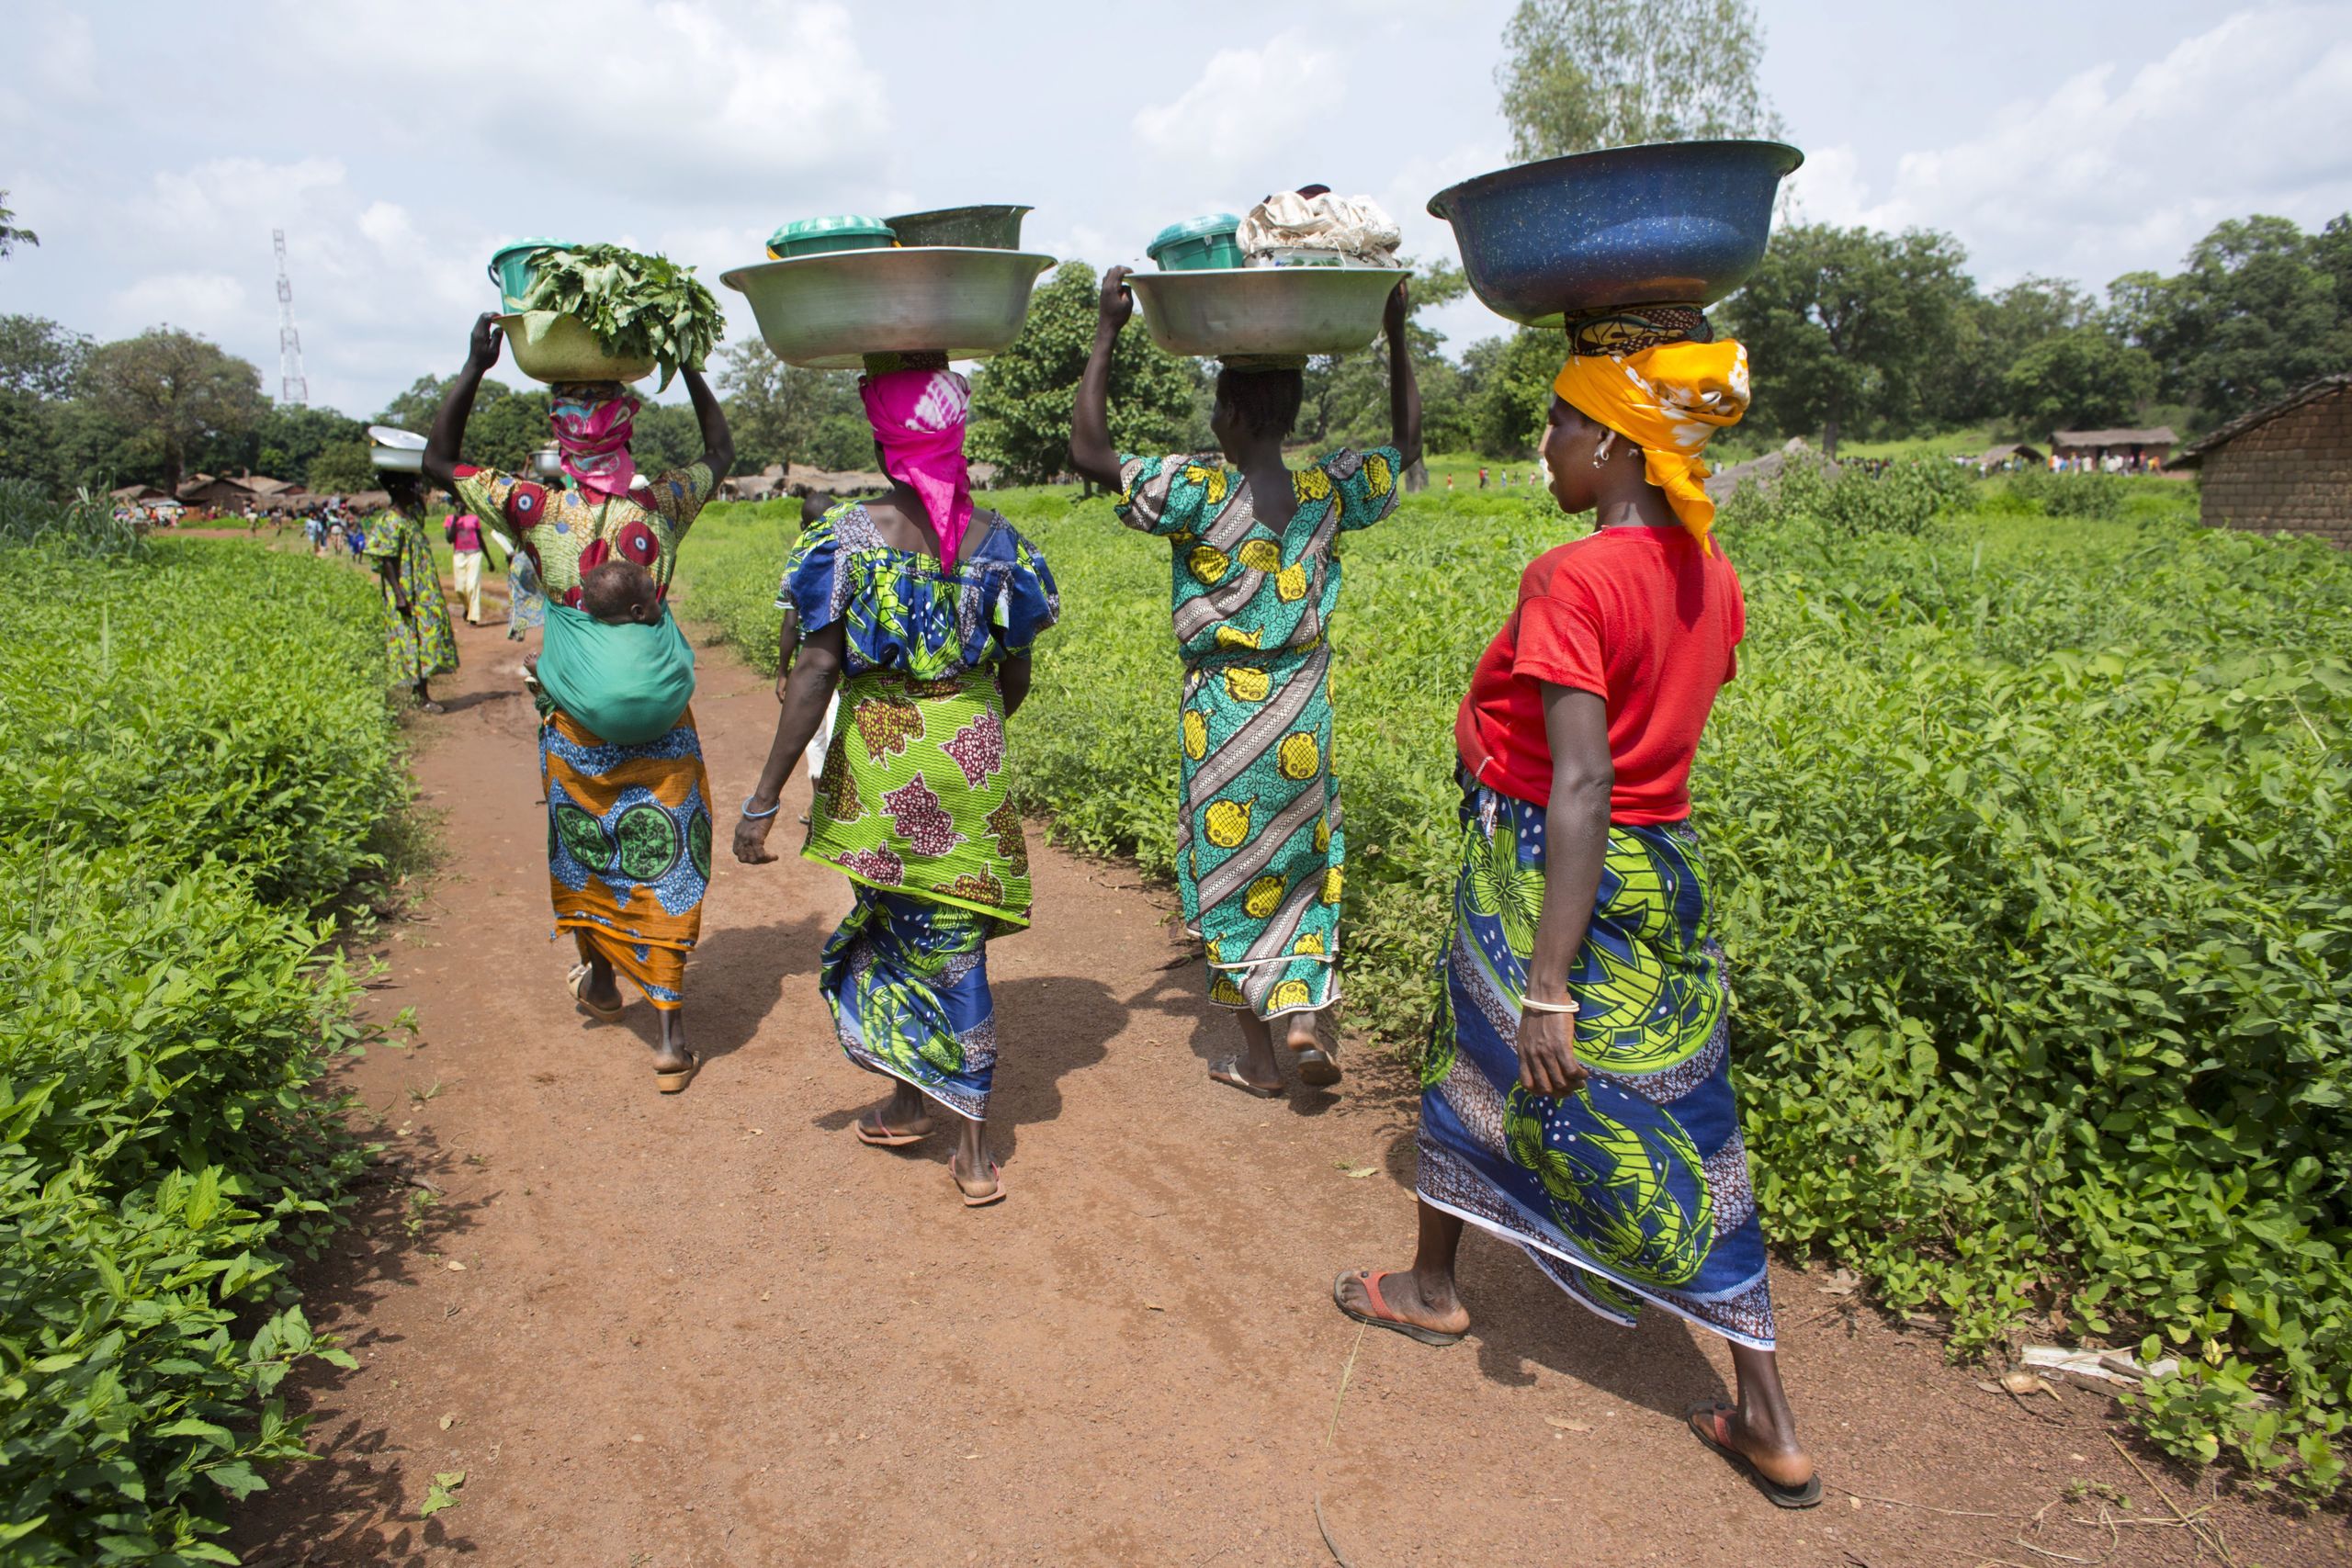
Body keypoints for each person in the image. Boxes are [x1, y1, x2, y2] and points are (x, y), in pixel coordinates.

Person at [1330, 307, 1815, 1507]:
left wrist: (1549, 977)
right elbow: (1660, 738)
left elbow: (1585, 777)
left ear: (1611, 440)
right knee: (1693, 1117)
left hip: (1550, 874)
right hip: (1662, 871)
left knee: (1481, 1065)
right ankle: (1766, 1409)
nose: (1543, 444)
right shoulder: (1710, 572)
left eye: (1556, 421)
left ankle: (1440, 1288)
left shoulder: (1573, 574)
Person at [1070, 266, 1420, 1099]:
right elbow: (1407, 450)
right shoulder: (1326, 490)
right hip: (1301, 710)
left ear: (1227, 413)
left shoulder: (1195, 489)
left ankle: (1260, 1058)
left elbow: (1088, 452)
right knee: (1300, 864)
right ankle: (1298, 1012)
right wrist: (1397, 331)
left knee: (1230, 875)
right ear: (1293, 416)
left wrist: (1108, 330)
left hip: (1223, 716)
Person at [735, 357, 1058, 1207]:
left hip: (879, 765)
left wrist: (764, 798)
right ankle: (932, 1115)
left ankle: (965, 1141)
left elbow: (814, 670)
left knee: (901, 925)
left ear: (885, 444)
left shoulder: (846, 539)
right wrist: (965, 730)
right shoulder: (1002, 544)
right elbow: (1015, 674)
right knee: (945, 936)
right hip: (969, 755)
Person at [424, 311, 734, 1094]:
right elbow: (721, 453)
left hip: (575, 728)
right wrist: (690, 365)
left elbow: (438, 460)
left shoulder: (534, 508)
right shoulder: (659, 509)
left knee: (588, 846)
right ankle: (669, 1035)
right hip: (662, 726)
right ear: (627, 419)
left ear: (561, 434)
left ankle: (598, 978)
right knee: (662, 857)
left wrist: (475, 367)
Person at [361, 472, 460, 712]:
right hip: (408, 591)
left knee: (426, 638)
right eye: (411, 488)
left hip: (423, 590)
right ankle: (421, 696)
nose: (415, 493)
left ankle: (421, 693)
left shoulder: (410, 517)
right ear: (398, 491)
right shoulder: (389, 521)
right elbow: (386, 560)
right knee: (412, 640)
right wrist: (399, 595)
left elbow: (422, 510)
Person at [447, 505, 490, 624]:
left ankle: (473, 618)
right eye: (456, 501)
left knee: (472, 586)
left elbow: (480, 539)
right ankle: (467, 608)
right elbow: (449, 539)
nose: (458, 504)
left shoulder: (474, 518)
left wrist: (489, 560)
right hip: (459, 555)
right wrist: (455, 521)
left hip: (474, 554)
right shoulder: (450, 519)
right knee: (459, 589)